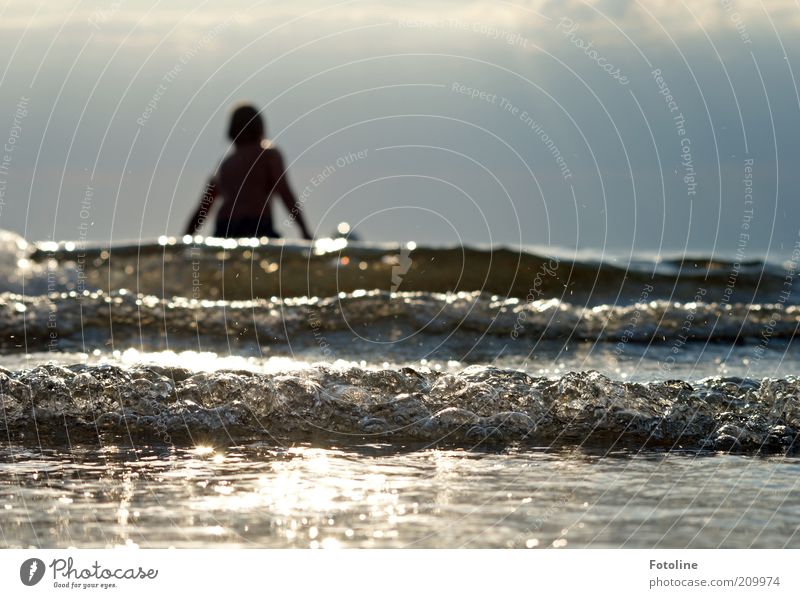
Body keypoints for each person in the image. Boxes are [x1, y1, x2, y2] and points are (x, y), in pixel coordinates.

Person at [184, 104, 313, 240]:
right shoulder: (269, 155)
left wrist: (183, 241)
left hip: (224, 226)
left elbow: (203, 209)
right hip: (256, 224)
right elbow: (285, 193)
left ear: (232, 130)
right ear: (260, 127)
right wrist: (305, 231)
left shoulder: (225, 164)